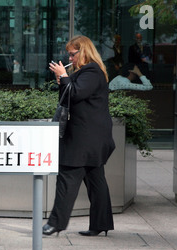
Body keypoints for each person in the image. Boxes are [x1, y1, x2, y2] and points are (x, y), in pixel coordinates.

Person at [45, 35, 115, 237]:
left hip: (85, 138)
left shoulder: (91, 71)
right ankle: (101, 223)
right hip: (91, 137)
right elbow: (69, 96)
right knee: (96, 180)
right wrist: (63, 80)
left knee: (67, 175)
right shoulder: (88, 72)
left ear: (83, 52)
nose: (70, 58)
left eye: (72, 54)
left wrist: (64, 77)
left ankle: (56, 223)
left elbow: (75, 94)